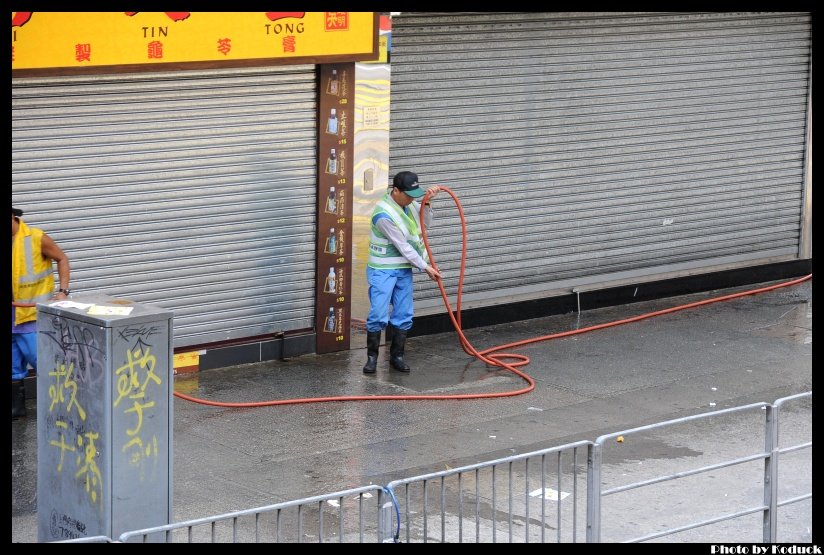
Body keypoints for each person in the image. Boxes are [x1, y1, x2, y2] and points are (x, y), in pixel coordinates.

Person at [363, 171, 441, 374]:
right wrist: (425, 267)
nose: (411, 199)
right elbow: (404, 246)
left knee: (404, 314)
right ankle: (372, 358)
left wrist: (425, 203)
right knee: (378, 314)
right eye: (408, 195)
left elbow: (424, 227)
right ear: (395, 190)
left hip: (404, 270)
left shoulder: (410, 204)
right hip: (383, 270)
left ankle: (397, 356)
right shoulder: (383, 214)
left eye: (415, 195)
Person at [12, 207, 71, 419]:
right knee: (13, 366)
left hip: (32, 318)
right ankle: (16, 408)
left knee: (46, 364)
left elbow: (62, 259)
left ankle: (62, 410)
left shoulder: (36, 238)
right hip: (12, 318)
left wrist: (62, 292)